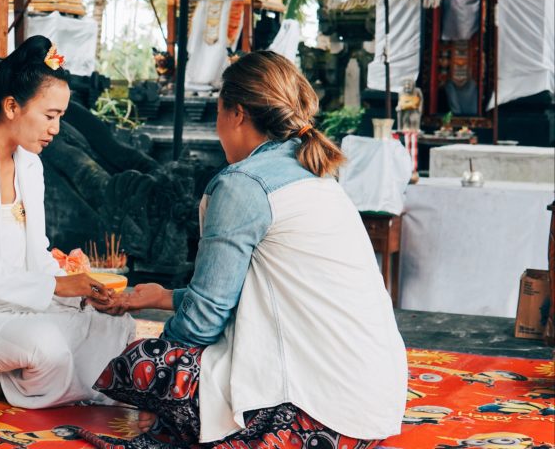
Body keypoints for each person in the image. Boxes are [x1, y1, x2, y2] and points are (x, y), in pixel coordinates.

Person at [79, 51, 407, 449]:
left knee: (144, 361)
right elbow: (260, 292)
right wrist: (165, 296)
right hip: (374, 407)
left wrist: (160, 387)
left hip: (315, 417)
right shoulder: (314, 173)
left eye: (218, 110)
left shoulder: (243, 184)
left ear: (236, 114)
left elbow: (205, 318)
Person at [0, 35, 136, 409]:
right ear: (12, 106)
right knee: (47, 347)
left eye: (60, 117)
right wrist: (57, 287)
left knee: (115, 324)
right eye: (50, 116)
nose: (56, 129)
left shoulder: (30, 163)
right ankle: (26, 376)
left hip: (19, 303)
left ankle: (16, 375)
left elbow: (37, 251)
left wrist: (77, 289)